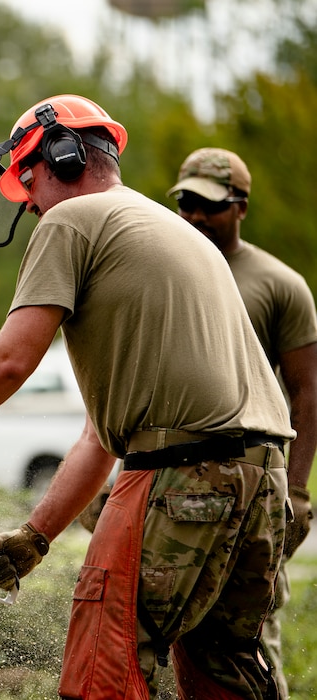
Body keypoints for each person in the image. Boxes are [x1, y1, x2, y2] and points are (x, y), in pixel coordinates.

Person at [0, 95, 294, 699]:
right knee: (223, 669)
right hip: (262, 480)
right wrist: (36, 536)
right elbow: (101, 434)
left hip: (182, 474)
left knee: (105, 663)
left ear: (61, 159)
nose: (33, 204)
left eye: (29, 182)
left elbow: (11, 361)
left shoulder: (72, 221)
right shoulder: (167, 231)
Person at [168, 147, 317, 697]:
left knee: (248, 641)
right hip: (175, 485)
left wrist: (296, 492)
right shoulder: (167, 270)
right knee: (168, 636)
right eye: (186, 203)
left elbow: (308, 393)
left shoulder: (279, 285)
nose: (196, 217)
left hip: (257, 487)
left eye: (210, 205)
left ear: (241, 207)